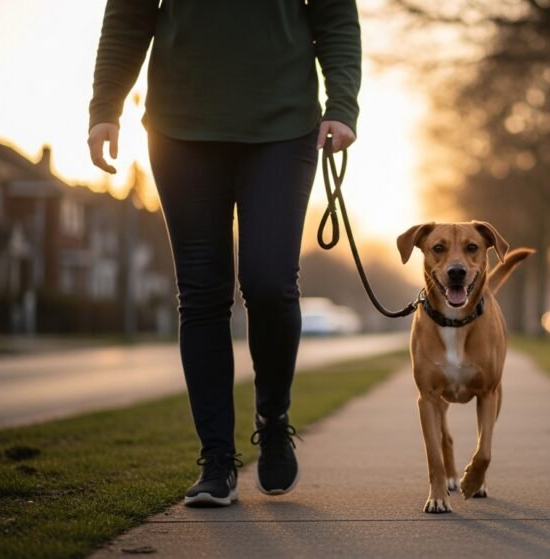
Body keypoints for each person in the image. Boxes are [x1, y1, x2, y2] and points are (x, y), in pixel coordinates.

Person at [87, 0, 361, 507]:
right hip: (180, 126)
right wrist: (106, 107)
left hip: (283, 125)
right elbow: (128, 15)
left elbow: (336, 17)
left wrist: (342, 103)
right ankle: (217, 462)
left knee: (270, 281)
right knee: (202, 292)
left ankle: (273, 418)